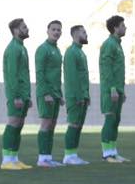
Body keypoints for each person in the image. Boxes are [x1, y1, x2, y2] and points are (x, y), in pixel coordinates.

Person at [0, 17, 32, 171]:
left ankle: (14, 157)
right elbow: (12, 76)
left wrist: (27, 95)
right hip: (16, 95)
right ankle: (6, 160)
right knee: (13, 124)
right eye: (24, 27)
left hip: (23, 94)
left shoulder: (22, 48)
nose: (27, 29)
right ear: (15, 31)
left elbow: (24, 74)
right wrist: (16, 96)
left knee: (19, 125)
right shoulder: (13, 48)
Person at [34, 20, 65, 168]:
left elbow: (57, 75)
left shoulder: (57, 50)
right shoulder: (43, 49)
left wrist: (59, 94)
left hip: (55, 94)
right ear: (47, 31)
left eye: (59, 30)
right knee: (46, 124)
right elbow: (40, 73)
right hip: (45, 93)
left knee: (52, 125)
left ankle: (48, 157)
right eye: (53, 29)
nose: (56, 32)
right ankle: (42, 158)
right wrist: (46, 93)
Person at [100, 15, 129, 162]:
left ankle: (113, 151)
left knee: (116, 120)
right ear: (115, 28)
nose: (125, 28)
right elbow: (106, 69)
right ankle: (106, 153)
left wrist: (121, 90)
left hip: (118, 89)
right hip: (110, 90)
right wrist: (111, 88)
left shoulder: (117, 44)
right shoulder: (109, 44)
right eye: (123, 25)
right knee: (110, 118)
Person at [62, 24, 92, 166]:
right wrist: (79, 96)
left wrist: (86, 95)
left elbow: (83, 77)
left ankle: (73, 154)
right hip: (75, 96)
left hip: (82, 95)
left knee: (79, 125)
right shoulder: (71, 52)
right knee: (74, 124)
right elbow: (72, 78)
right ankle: (68, 155)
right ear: (75, 35)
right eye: (84, 32)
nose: (86, 35)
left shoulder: (80, 52)